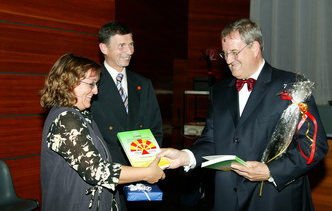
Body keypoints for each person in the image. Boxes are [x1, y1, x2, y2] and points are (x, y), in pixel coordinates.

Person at [159, 19, 329, 211]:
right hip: (227, 198)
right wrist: (185, 156)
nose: (228, 60)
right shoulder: (219, 91)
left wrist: (269, 171)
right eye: (225, 53)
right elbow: (211, 140)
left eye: (234, 52)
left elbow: (313, 145)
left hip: (275, 199)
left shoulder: (292, 86)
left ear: (255, 47)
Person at [40, 53, 165, 211]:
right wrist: (146, 173)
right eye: (91, 84)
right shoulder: (66, 119)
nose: (96, 91)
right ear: (69, 83)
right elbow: (97, 171)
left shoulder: (80, 115)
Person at [90, 21, 164, 210]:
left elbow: (155, 128)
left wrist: (148, 164)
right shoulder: (91, 84)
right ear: (103, 48)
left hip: (141, 174)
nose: (129, 51)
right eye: (121, 45)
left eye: (131, 44)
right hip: (109, 176)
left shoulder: (143, 83)